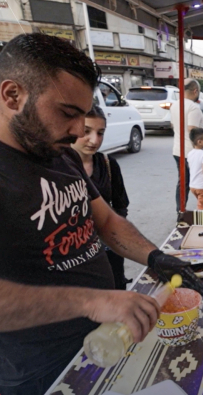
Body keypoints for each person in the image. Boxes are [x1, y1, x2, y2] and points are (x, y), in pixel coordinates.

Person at [0, 33, 203, 395]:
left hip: (105, 340)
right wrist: (93, 301)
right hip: (39, 371)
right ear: (12, 95)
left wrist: (155, 256)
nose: (80, 131)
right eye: (66, 113)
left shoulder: (58, 153)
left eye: (83, 114)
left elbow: (106, 221)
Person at [71, 105, 131, 290]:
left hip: (108, 251)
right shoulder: (57, 167)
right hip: (74, 256)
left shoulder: (108, 164)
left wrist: (111, 238)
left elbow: (121, 207)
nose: (94, 140)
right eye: (86, 131)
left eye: (100, 133)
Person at [170, 78, 203, 212]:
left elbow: (173, 125)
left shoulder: (175, 105)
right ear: (195, 91)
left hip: (178, 151)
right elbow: (192, 129)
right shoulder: (192, 107)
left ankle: (180, 212)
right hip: (192, 152)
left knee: (183, 183)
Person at [187, 127, 203, 211]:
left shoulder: (190, 153)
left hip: (193, 186)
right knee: (201, 209)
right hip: (202, 186)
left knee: (201, 204)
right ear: (199, 142)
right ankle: (199, 222)